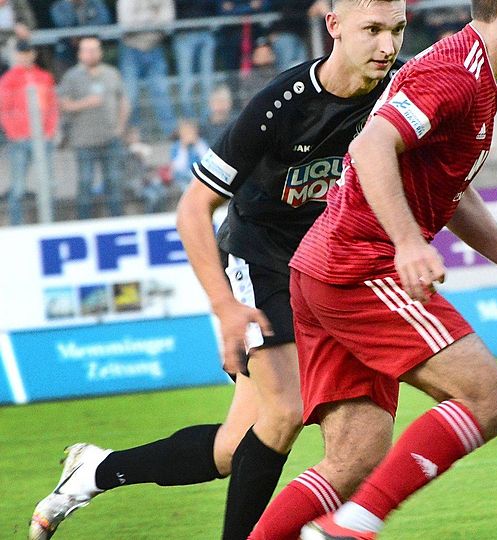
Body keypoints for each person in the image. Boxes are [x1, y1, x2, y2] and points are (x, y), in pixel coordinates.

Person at [28, 0, 407, 538]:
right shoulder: (280, 105)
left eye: (398, 30)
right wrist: (225, 307)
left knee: (233, 446)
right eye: (373, 29)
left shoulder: (401, 91)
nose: (388, 46)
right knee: (286, 411)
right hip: (260, 258)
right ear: (334, 26)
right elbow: (193, 207)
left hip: (326, 265)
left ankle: (95, 471)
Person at [257, 0, 497, 538]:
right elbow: (370, 145)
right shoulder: (456, 74)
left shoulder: (475, 73)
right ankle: (349, 528)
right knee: (487, 401)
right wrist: (406, 242)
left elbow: (451, 188)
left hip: (323, 268)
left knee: (354, 457)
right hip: (359, 264)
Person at [57, 36, 128, 219]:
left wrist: (120, 127)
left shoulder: (111, 73)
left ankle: (118, 221)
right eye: (87, 50)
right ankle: (84, 222)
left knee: (114, 181)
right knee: (85, 182)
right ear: (80, 54)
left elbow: (123, 101)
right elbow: (63, 105)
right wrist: (85, 103)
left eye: (95, 50)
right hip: (84, 140)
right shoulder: (71, 77)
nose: (91, 54)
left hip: (110, 138)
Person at [0, 40, 57, 225]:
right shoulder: (8, 80)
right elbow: (4, 110)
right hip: (20, 140)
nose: (25, 56)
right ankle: (16, 226)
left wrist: (49, 131)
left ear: (33, 54)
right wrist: (15, 133)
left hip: (42, 138)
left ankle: (49, 224)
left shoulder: (44, 77)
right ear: (16, 55)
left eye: (28, 52)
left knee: (47, 184)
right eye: (21, 53)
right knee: (18, 187)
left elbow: (52, 107)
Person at [116, 0, 178, 137]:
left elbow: (168, 21)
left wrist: (141, 21)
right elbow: (126, 23)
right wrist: (153, 18)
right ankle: (134, 136)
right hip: (130, 48)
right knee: (130, 95)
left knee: (161, 90)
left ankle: (171, 133)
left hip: (155, 47)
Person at [173, 0, 218, 119]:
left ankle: (207, 119)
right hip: (184, 33)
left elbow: (213, 5)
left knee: (208, 80)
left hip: (206, 31)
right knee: (186, 81)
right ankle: (189, 121)